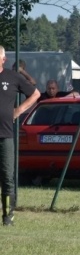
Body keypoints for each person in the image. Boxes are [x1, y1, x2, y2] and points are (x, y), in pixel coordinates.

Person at [0, 46, 41, 225]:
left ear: (3, 59)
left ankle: (8, 217)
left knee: (7, 177)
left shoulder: (12, 77)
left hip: (5, 134)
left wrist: (18, 111)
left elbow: (36, 94)